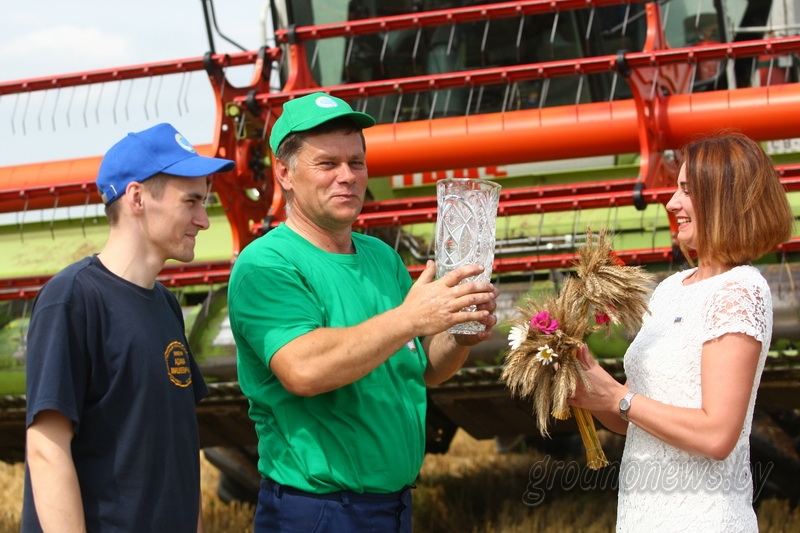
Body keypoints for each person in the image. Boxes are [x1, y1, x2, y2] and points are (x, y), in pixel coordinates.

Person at [227, 92, 500, 532]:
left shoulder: (380, 257)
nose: (347, 177)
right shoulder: (267, 264)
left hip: (391, 507)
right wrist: (413, 317)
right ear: (284, 173)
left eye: (356, 162)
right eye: (327, 164)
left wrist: (457, 334)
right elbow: (303, 369)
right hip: (316, 510)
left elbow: (423, 369)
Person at [568, 132, 794, 532]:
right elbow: (636, 418)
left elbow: (717, 434)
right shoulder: (673, 288)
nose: (672, 203)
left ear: (723, 200)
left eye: (687, 191)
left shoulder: (739, 290)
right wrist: (591, 388)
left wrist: (619, 398)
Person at [21, 123, 235, 532]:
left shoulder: (166, 306)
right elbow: (47, 448)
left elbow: (178, 448)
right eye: (191, 202)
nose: (204, 220)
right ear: (137, 198)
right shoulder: (73, 300)